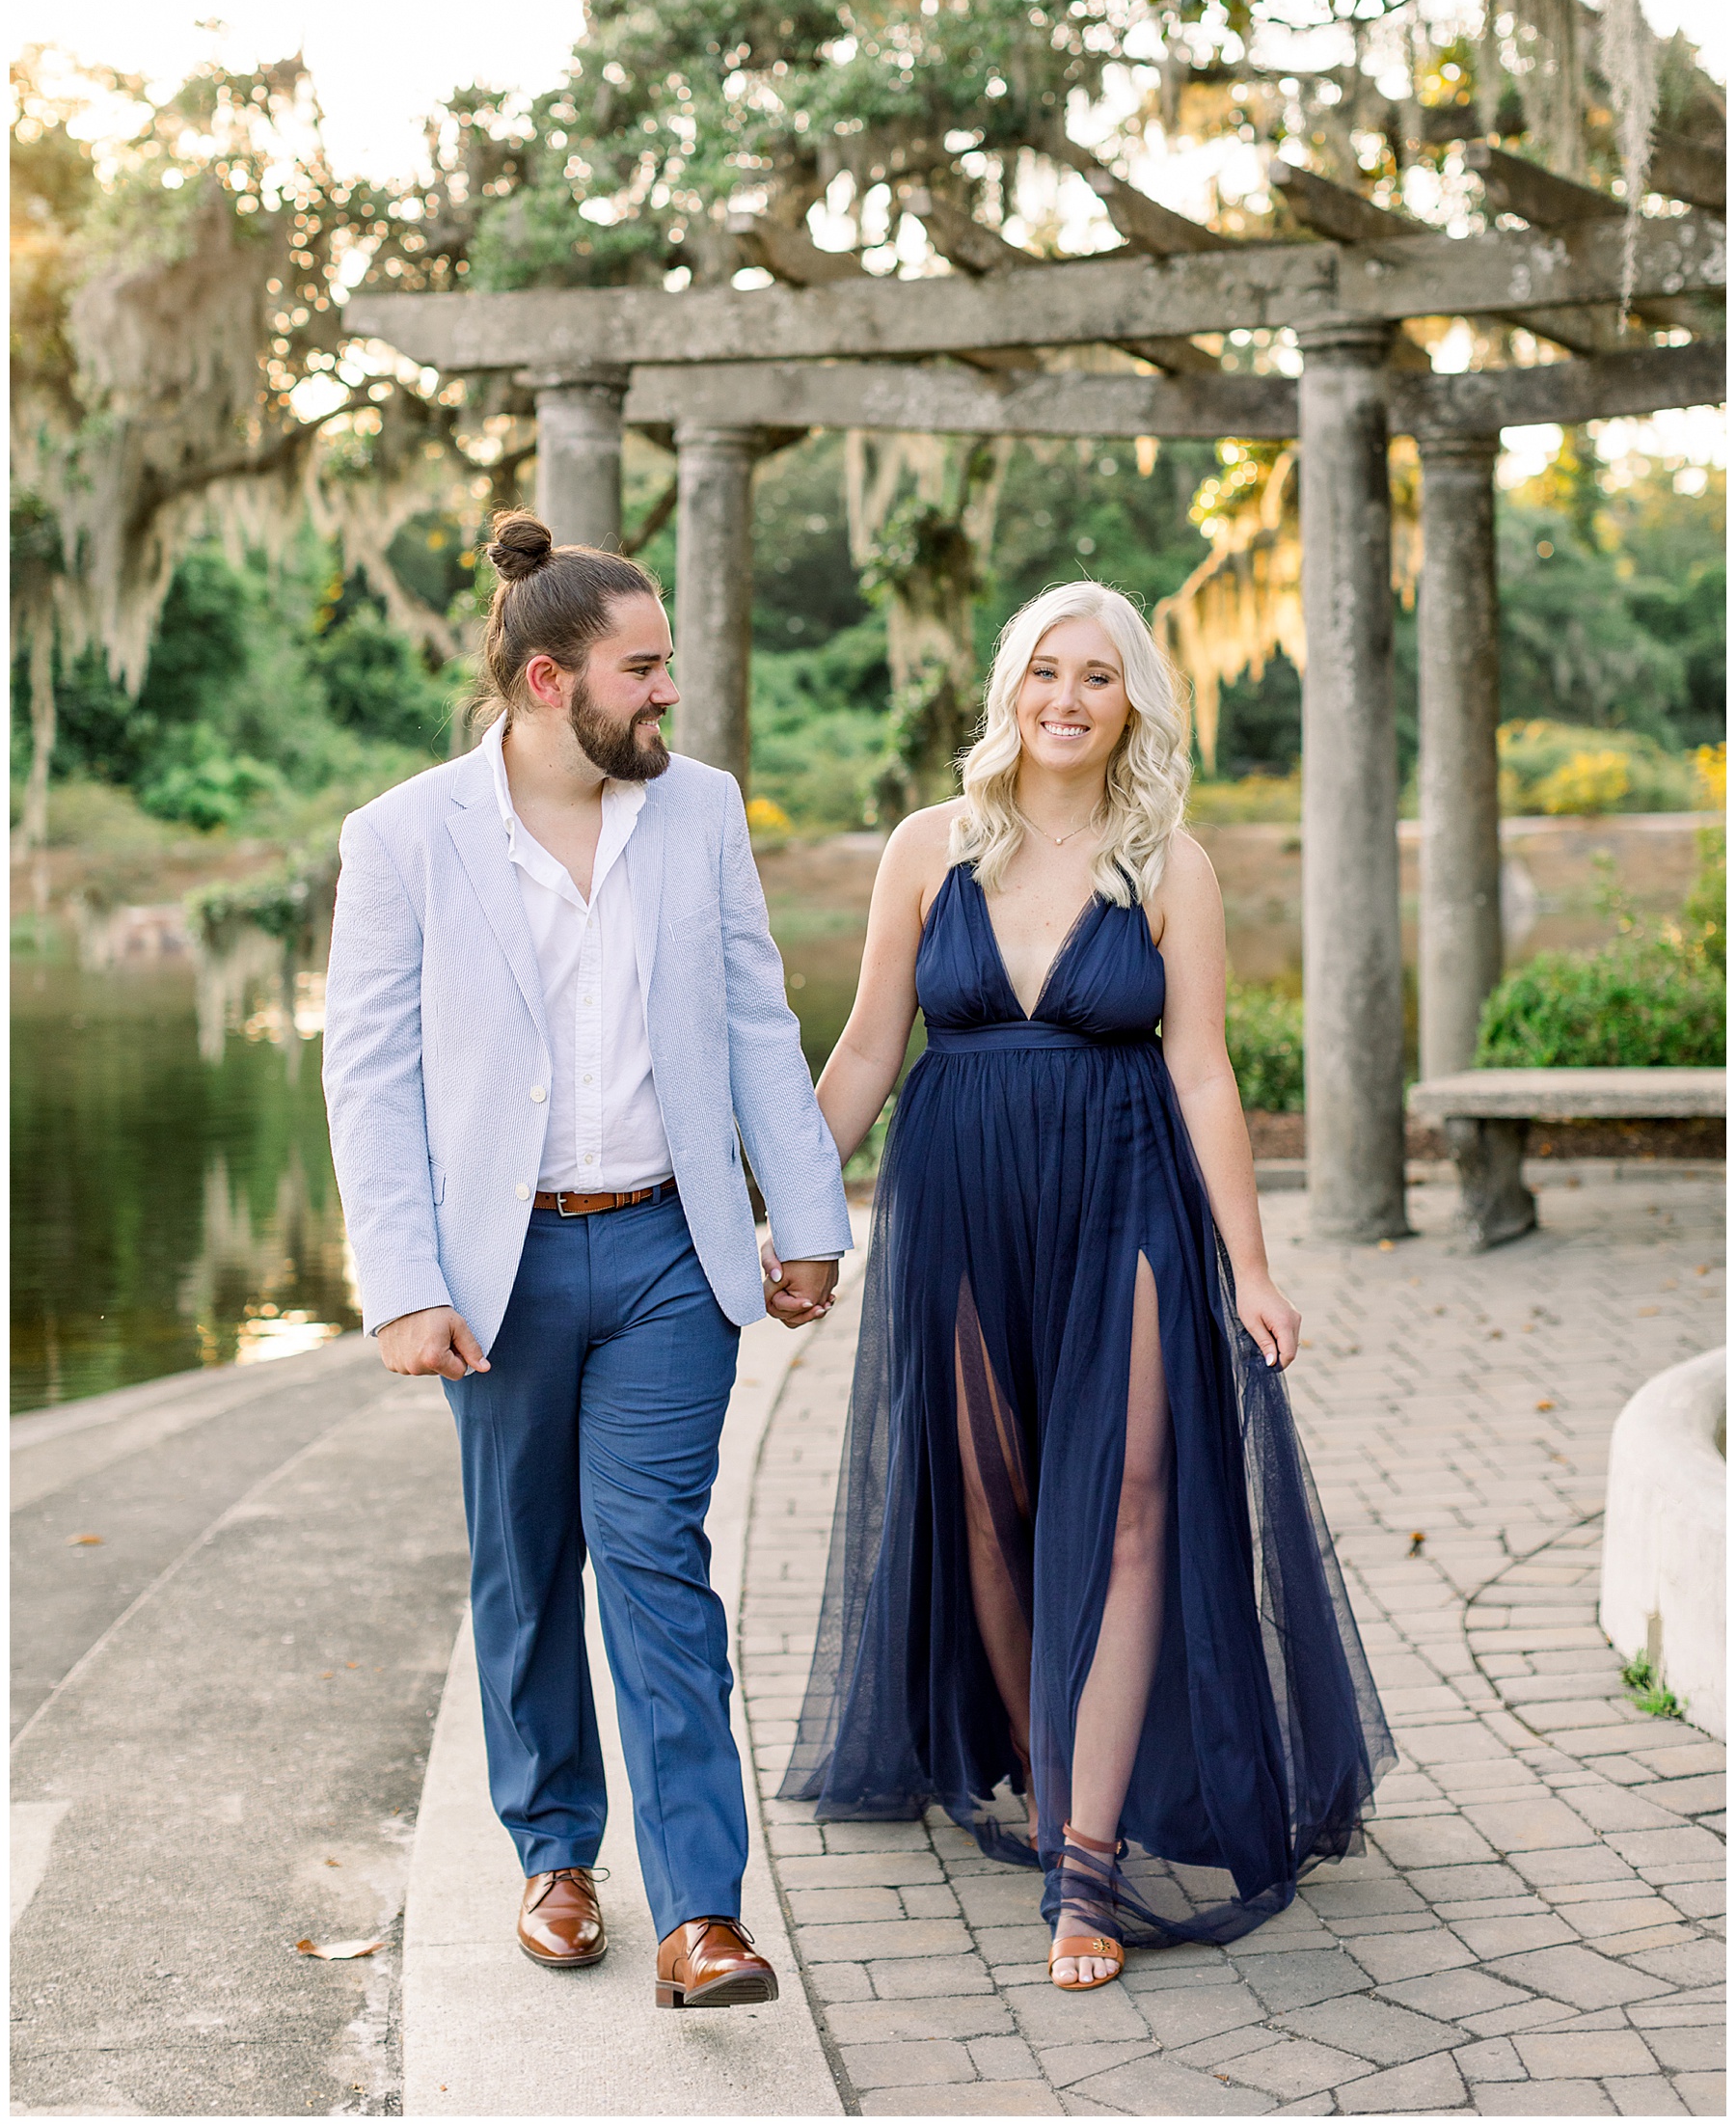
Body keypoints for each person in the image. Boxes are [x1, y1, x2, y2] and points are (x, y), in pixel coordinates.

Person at [773, 580, 1393, 1988]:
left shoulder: (1169, 861)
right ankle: (1054, 1770)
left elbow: (1202, 1067)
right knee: (994, 1508)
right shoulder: (930, 847)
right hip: (960, 1203)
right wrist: (798, 1216)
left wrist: (1254, 1264)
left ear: (1133, 704)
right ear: (1009, 687)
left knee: (1129, 1499)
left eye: (1096, 676)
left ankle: (1087, 1867)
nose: (1065, 697)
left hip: (1128, 1194)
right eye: (1044, 670)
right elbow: (871, 1048)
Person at [321, 512, 849, 2013]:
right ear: (549, 681)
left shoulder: (700, 812)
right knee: (524, 1569)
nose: (669, 693)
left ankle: (701, 1913)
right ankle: (557, 1855)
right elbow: (367, 1073)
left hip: (674, 1252)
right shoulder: (405, 835)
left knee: (657, 1566)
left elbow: (758, 1019)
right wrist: (403, 1280)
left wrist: (803, 1218)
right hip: (500, 1272)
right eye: (645, 667)